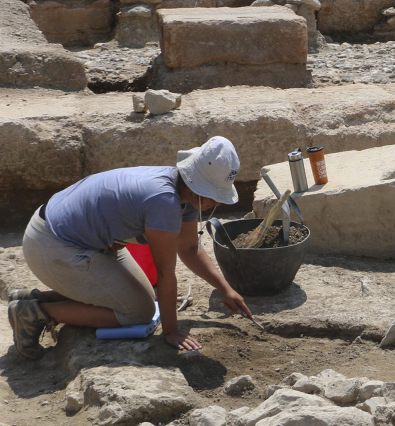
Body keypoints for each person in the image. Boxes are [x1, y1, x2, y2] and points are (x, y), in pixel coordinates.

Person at [7, 136, 253, 359]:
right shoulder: (164, 202)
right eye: (214, 196)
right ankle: (36, 312)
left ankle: (33, 298)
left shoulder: (183, 192)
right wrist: (171, 331)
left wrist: (225, 289)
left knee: (143, 298)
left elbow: (189, 248)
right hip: (53, 244)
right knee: (138, 313)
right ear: (197, 187)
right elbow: (166, 273)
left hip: (75, 237)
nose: (217, 202)